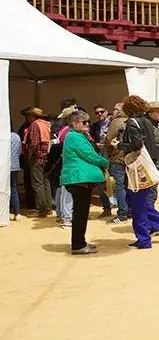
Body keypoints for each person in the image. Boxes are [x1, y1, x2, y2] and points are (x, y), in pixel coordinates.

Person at [119, 95, 159, 249]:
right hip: (149, 166)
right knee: (139, 201)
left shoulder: (133, 123)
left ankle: (144, 239)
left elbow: (136, 144)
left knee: (137, 205)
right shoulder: (148, 123)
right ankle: (157, 223)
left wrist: (120, 145)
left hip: (138, 168)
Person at [60, 109, 109, 255]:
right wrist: (105, 162)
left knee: (81, 212)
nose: (88, 124)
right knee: (80, 213)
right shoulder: (75, 137)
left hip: (79, 179)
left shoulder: (76, 135)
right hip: (78, 179)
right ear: (75, 123)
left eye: (88, 121)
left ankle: (80, 241)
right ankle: (78, 245)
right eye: (84, 122)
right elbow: (89, 155)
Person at [24, 107, 52, 217]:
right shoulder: (47, 124)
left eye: (28, 116)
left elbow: (34, 144)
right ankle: (48, 206)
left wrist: (30, 155)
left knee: (37, 183)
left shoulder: (35, 125)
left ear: (32, 116)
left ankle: (41, 209)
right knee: (46, 182)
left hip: (37, 158)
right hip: (47, 157)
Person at [104, 103, 130, 224]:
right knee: (129, 186)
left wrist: (110, 153)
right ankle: (129, 211)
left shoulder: (116, 122)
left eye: (115, 109)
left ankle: (122, 213)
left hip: (118, 158)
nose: (113, 111)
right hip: (130, 158)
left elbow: (109, 140)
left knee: (120, 186)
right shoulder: (132, 120)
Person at [90, 105, 114, 217]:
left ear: (106, 112)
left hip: (112, 156)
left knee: (116, 182)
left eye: (101, 112)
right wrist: (96, 144)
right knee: (100, 181)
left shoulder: (113, 123)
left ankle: (124, 210)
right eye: (97, 113)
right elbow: (91, 140)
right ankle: (107, 207)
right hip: (100, 155)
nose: (99, 114)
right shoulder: (94, 126)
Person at [9, 130, 21, 221]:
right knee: (14, 188)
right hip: (15, 166)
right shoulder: (16, 136)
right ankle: (17, 213)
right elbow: (20, 151)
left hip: (4, 166)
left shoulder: (3, 137)